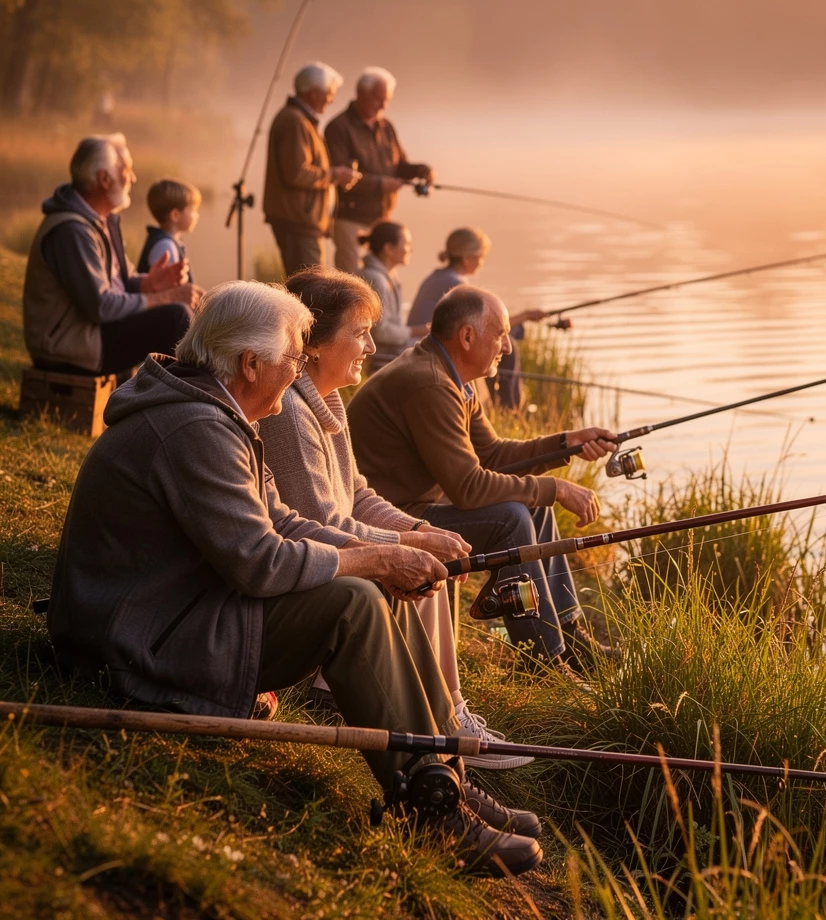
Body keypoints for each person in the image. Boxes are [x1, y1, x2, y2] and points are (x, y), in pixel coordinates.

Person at [46, 280, 542, 877]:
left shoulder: (220, 412)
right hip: (138, 643)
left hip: (179, 611)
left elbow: (282, 519)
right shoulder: (195, 429)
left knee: (377, 582)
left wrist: (390, 551)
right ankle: (431, 812)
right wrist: (378, 558)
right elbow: (260, 561)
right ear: (249, 363)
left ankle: (444, 775)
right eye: (289, 356)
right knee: (354, 602)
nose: (297, 367)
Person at [259, 266, 531, 770]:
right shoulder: (293, 416)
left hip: (324, 554)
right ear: (313, 344)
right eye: (360, 333)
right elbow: (325, 523)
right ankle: (442, 720)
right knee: (419, 569)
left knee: (427, 560)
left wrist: (419, 530)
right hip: (304, 570)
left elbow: (357, 494)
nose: (370, 345)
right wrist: (406, 544)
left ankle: (447, 713)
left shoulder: (327, 399)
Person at [347, 285, 617, 671]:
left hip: (415, 505)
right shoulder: (431, 383)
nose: (506, 347)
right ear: (467, 336)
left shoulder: (450, 374)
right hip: (389, 517)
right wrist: (554, 489)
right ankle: (544, 659)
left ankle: (569, 633)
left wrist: (566, 443)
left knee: (533, 509)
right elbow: (469, 488)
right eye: (501, 334)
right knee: (512, 519)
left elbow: (491, 455)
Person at [22, 133, 201, 376]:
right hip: (69, 348)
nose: (133, 178)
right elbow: (101, 306)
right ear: (104, 179)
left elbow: (122, 282)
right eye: (126, 170)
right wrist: (165, 297)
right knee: (175, 317)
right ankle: (190, 405)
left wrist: (147, 284)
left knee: (178, 315)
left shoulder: (102, 222)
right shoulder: (72, 231)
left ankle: (176, 402)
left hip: (95, 334)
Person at [407, 227, 550, 410]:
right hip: (426, 344)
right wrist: (526, 316)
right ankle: (510, 409)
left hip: (427, 340)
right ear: (467, 259)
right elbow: (486, 324)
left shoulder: (438, 276)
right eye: (480, 257)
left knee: (503, 340)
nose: (482, 263)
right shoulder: (456, 284)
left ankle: (505, 406)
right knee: (508, 346)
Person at [324, 67, 432, 274]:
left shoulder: (386, 127)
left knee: (383, 282)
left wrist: (420, 171)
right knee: (353, 285)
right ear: (360, 94)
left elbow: (400, 167)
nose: (383, 105)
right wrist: (382, 184)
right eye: (378, 98)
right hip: (350, 220)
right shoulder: (338, 128)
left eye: (387, 99)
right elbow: (341, 178)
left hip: (383, 221)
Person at [263, 62, 361, 276]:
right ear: (314, 94)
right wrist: (335, 175)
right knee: (311, 285)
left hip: (303, 220)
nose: (332, 99)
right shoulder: (294, 122)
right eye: (329, 93)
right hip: (297, 221)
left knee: (311, 283)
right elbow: (297, 173)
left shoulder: (302, 120)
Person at [356, 221, 427, 371]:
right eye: (406, 244)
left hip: (392, 351)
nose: (410, 249)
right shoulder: (376, 279)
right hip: (380, 356)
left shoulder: (389, 275)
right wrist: (417, 331)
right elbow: (380, 332)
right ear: (388, 248)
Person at [137, 178, 200, 281]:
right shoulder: (165, 247)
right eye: (193, 210)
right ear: (175, 215)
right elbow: (170, 292)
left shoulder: (167, 242)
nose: (197, 215)